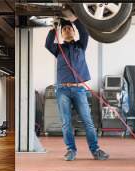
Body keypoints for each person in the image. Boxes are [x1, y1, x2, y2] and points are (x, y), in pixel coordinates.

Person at [45, 10, 109, 161]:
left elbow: (84, 32)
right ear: (61, 33)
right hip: (63, 90)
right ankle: (71, 150)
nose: (67, 30)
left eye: (69, 29)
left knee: (88, 122)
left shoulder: (81, 46)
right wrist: (54, 28)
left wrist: (73, 19)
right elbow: (48, 44)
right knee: (66, 123)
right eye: (64, 29)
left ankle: (96, 150)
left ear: (73, 32)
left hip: (79, 89)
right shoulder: (58, 49)